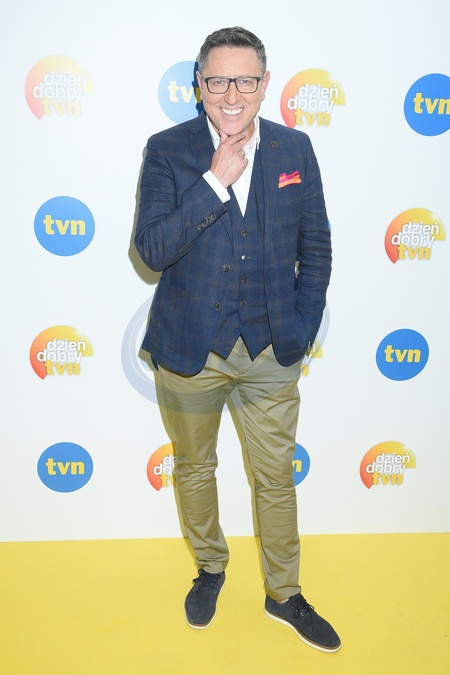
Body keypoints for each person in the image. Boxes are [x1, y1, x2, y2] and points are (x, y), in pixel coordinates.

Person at [135, 26, 340, 652]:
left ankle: (285, 593)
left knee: (275, 477)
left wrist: (300, 329)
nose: (232, 94)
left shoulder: (294, 148)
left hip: (272, 350)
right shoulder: (167, 151)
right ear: (199, 85)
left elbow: (316, 247)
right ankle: (210, 569)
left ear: (264, 84)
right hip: (189, 349)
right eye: (219, 80)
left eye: (245, 80)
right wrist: (214, 181)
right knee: (195, 468)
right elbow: (152, 250)